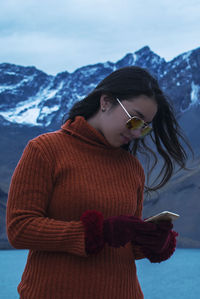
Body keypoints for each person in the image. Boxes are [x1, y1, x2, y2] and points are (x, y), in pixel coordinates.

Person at [6, 66, 190, 299]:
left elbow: (121, 247)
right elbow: (19, 228)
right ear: (106, 102)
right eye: (135, 120)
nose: (136, 133)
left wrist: (151, 242)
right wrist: (97, 232)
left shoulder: (132, 167)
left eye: (144, 127)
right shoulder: (45, 150)